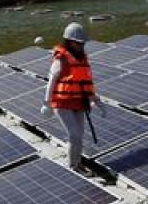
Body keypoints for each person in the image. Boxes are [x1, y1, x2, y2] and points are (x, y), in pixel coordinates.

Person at [42, 23, 104, 173]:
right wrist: (47, 103)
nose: (81, 45)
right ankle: (72, 166)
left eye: (82, 42)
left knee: (79, 136)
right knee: (74, 134)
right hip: (62, 103)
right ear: (69, 41)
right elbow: (51, 81)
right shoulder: (61, 58)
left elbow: (87, 82)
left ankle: (78, 163)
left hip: (79, 102)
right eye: (78, 42)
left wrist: (97, 101)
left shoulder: (83, 59)